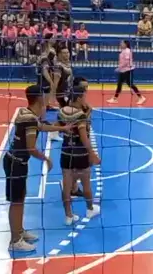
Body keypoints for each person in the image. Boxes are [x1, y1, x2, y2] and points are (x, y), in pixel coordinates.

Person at [5, 85, 70, 252]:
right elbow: (31, 148)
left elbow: (41, 126)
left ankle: (19, 231)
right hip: (16, 163)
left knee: (20, 198)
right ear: (39, 98)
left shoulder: (25, 113)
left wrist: (61, 128)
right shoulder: (30, 119)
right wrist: (46, 159)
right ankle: (15, 241)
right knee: (16, 202)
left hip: (16, 162)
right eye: (44, 95)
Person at [58, 86, 101, 225]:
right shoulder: (80, 115)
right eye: (84, 97)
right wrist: (92, 154)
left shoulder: (62, 111)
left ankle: (68, 216)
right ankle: (90, 209)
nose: (85, 100)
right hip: (80, 154)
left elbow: (59, 128)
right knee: (86, 183)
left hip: (66, 152)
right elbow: (84, 138)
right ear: (78, 98)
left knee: (66, 186)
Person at [107, 40, 146, 105]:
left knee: (130, 84)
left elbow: (126, 62)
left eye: (122, 43)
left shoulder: (127, 51)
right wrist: (120, 68)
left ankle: (141, 97)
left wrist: (119, 68)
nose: (120, 44)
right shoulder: (123, 51)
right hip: (123, 70)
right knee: (119, 84)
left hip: (128, 70)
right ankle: (114, 99)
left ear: (126, 44)